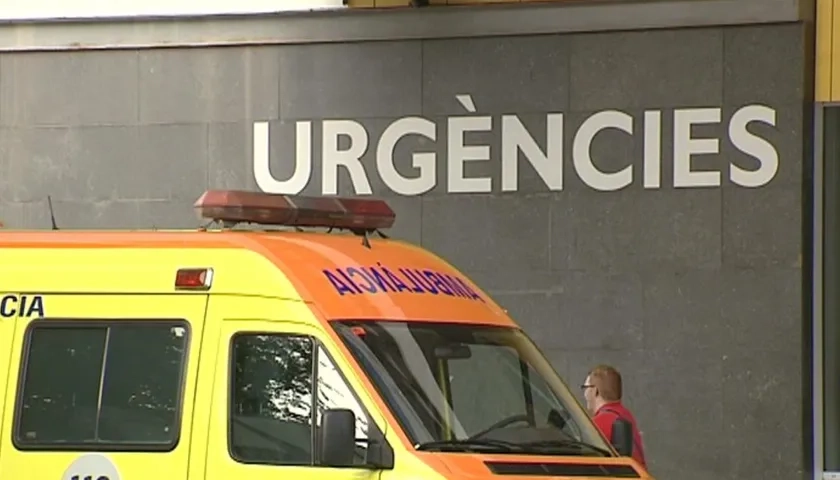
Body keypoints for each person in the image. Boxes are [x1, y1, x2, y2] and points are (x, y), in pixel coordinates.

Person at [582, 364, 647, 470]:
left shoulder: (600, 423)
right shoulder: (625, 414)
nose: (584, 394)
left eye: (585, 388)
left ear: (595, 391)